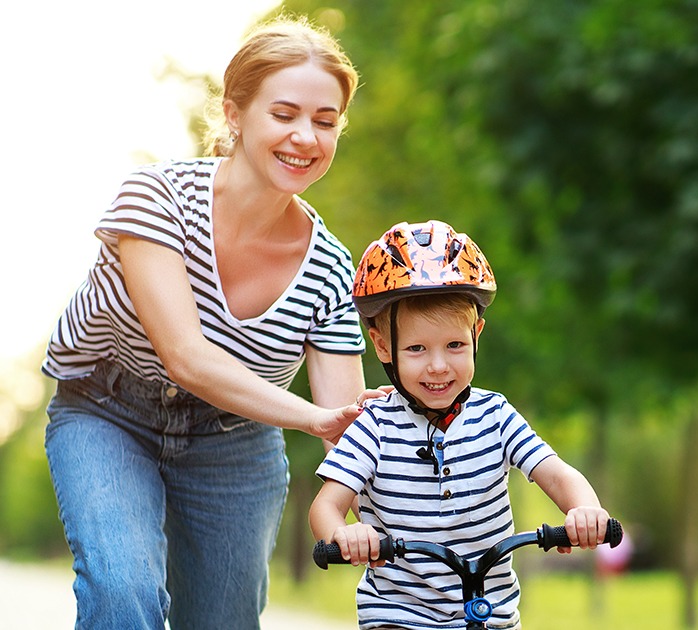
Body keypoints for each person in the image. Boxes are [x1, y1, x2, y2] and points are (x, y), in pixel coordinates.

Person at [42, 16, 370, 630]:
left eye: (325, 122)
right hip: (109, 412)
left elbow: (346, 423)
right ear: (235, 114)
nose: (305, 136)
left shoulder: (328, 265)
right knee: (121, 592)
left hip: (234, 444)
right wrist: (312, 417)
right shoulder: (155, 197)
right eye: (285, 114)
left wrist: (398, 514)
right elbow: (186, 357)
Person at [310, 220, 611, 630]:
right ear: (383, 346)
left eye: (455, 345)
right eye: (416, 349)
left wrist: (584, 510)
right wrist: (344, 535)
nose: (438, 366)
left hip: (491, 615)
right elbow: (326, 507)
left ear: (477, 335)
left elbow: (556, 474)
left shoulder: (496, 416)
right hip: (400, 617)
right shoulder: (374, 426)